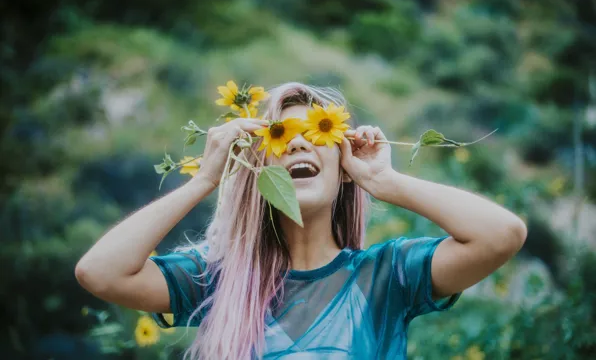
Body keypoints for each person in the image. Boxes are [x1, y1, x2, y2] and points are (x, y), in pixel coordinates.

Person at [75, 83, 527, 359]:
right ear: (257, 170)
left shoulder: (387, 277)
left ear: (343, 167)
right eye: (281, 135)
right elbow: (100, 272)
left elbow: (502, 235)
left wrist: (386, 181)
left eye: (315, 133)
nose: (296, 145)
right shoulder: (220, 278)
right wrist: (205, 181)